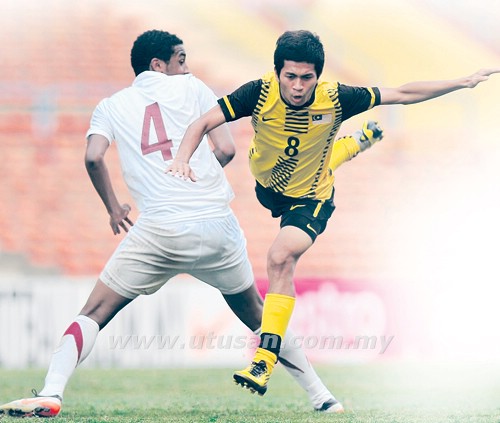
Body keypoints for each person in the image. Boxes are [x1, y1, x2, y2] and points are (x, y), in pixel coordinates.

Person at [0, 30, 385, 419]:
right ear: (158, 65)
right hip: (216, 225)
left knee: (95, 311)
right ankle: (323, 397)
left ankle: (51, 392)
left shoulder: (110, 106)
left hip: (158, 231)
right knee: (259, 315)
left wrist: (114, 207)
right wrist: (198, 177)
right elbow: (227, 149)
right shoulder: (194, 88)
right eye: (181, 59)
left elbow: (94, 158)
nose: (187, 67)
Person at [166, 29, 500, 396]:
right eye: (289, 76)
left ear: (317, 76)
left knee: (280, 258)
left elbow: (402, 94)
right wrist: (181, 159)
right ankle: (355, 142)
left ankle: (265, 359)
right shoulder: (257, 93)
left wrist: (461, 83)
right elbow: (201, 123)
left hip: (312, 197)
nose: (297, 86)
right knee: (321, 159)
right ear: (277, 72)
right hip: (269, 186)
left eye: (306, 77)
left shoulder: (337, 98)